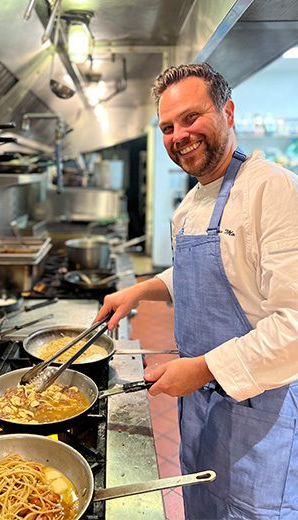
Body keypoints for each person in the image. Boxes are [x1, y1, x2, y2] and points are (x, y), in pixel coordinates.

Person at [94, 62, 298, 519]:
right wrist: (141, 290)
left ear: (227, 111)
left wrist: (204, 368)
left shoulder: (275, 191)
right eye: (168, 126)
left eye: (191, 118)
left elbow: (295, 328)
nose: (179, 135)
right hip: (201, 411)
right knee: (203, 504)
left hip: (256, 412)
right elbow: (210, 272)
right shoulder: (189, 205)